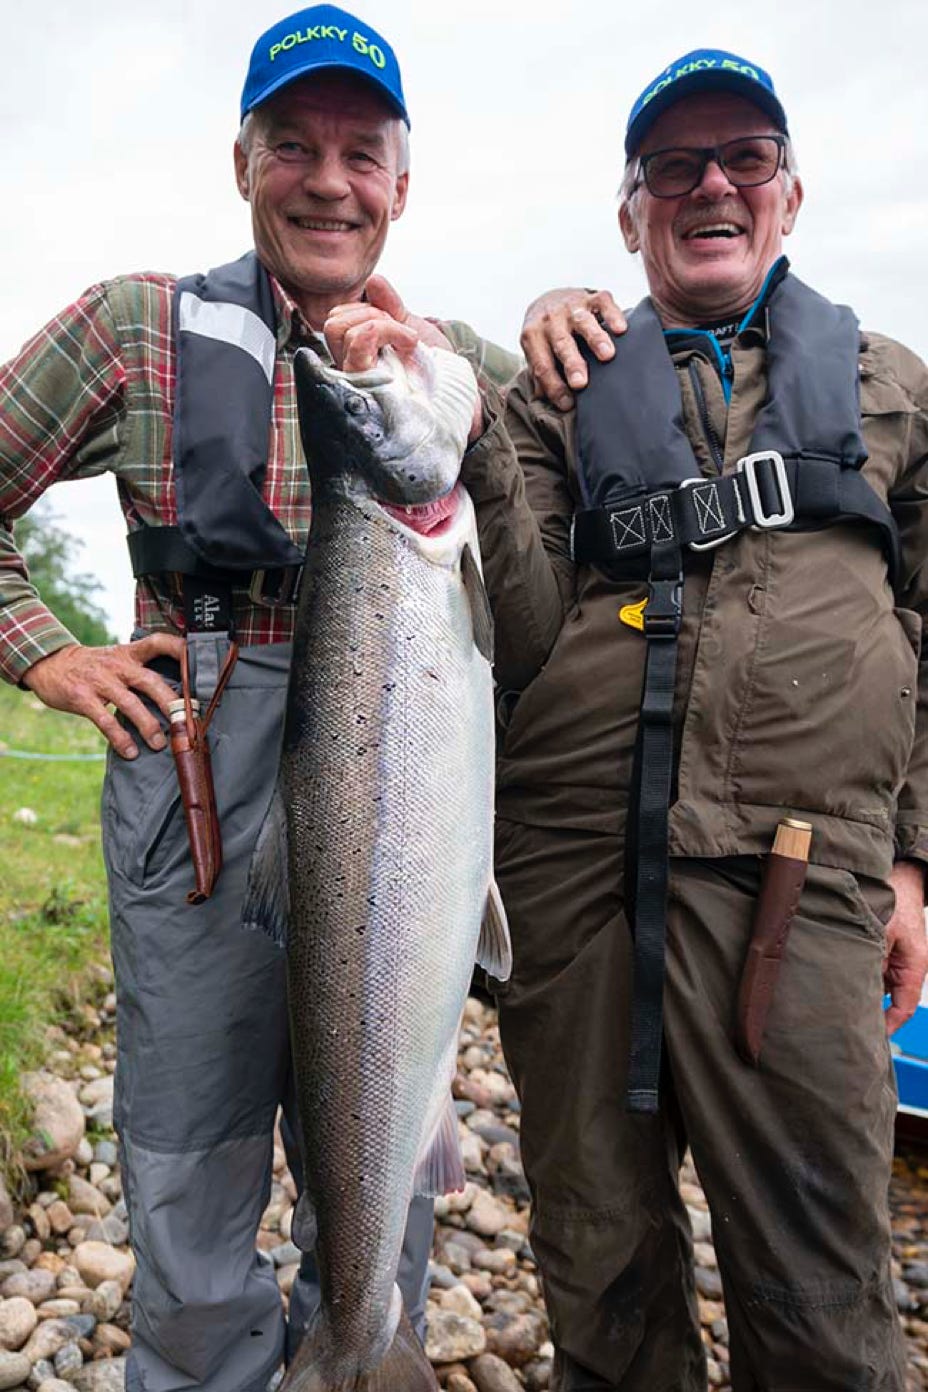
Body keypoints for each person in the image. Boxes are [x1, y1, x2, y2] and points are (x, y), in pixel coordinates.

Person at [0, 9, 620, 1390]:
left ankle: (362, 1346)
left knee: (382, 1161)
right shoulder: (131, 327)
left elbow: (606, 479)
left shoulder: (452, 362)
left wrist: (563, 316)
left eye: (362, 152)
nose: (328, 180)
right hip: (198, 800)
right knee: (188, 1167)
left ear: (405, 182)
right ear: (242, 162)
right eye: (294, 145)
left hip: (405, 795)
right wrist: (48, 651)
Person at [479, 47, 928, 1392]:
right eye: (674, 167)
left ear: (789, 196)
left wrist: (913, 859)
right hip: (570, 881)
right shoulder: (553, 381)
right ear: (632, 217)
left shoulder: (894, 387)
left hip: (801, 878)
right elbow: (506, 624)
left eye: (743, 159)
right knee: (597, 1262)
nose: (711, 184)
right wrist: (474, 435)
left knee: (821, 1284)